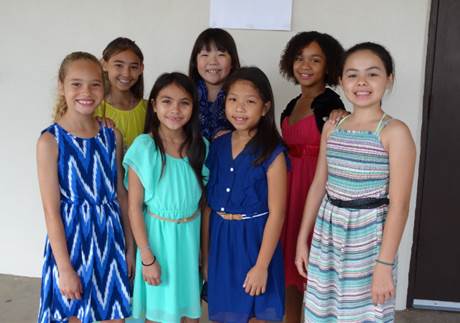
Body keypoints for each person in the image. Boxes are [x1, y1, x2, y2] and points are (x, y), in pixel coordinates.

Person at [295, 42, 416, 322]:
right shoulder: (332, 126)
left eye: (372, 74)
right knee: (321, 312)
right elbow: (318, 186)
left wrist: (384, 264)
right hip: (328, 233)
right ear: (340, 80)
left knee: (362, 313)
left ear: (389, 79)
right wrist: (303, 240)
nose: (361, 82)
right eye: (352, 74)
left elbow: (399, 205)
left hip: (368, 239)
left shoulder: (394, 132)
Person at [37, 51, 133, 323]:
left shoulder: (111, 134)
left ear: (104, 87)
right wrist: (64, 268)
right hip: (71, 243)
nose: (86, 92)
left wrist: (129, 247)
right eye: (76, 84)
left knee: (113, 315)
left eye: (94, 84)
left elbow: (120, 194)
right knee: (73, 315)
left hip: (109, 239)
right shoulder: (50, 141)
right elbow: (50, 210)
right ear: (61, 86)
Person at [204, 67, 288, 322]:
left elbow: (278, 214)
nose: (239, 108)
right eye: (233, 100)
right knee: (224, 315)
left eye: (249, 101)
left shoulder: (273, 152)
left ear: (264, 108)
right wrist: (206, 259)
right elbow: (208, 207)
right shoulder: (217, 146)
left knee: (257, 312)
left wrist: (262, 266)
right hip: (221, 242)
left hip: (255, 241)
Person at [123, 72, 208, 323]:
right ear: (154, 106)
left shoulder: (200, 146)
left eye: (184, 102)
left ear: (193, 106)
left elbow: (204, 206)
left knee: (189, 314)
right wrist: (147, 259)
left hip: (189, 242)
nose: (175, 109)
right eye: (167, 101)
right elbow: (134, 208)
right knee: (158, 314)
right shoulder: (144, 147)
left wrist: (204, 255)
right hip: (157, 243)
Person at [278, 31, 347, 322]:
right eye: (299, 58)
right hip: (288, 189)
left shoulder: (332, 106)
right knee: (289, 273)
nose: (305, 65)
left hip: (315, 192)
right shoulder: (292, 103)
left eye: (315, 60)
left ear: (328, 66)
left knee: (315, 273)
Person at [95, 37, 146, 151]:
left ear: (141, 68)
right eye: (119, 65)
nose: (126, 74)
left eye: (133, 67)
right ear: (104, 64)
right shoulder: (93, 110)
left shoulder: (149, 109)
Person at [188, 28, 240, 140]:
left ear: (232, 62)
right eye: (205, 55)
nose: (212, 62)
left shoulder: (242, 97)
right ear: (195, 62)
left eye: (221, 54)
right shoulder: (185, 94)